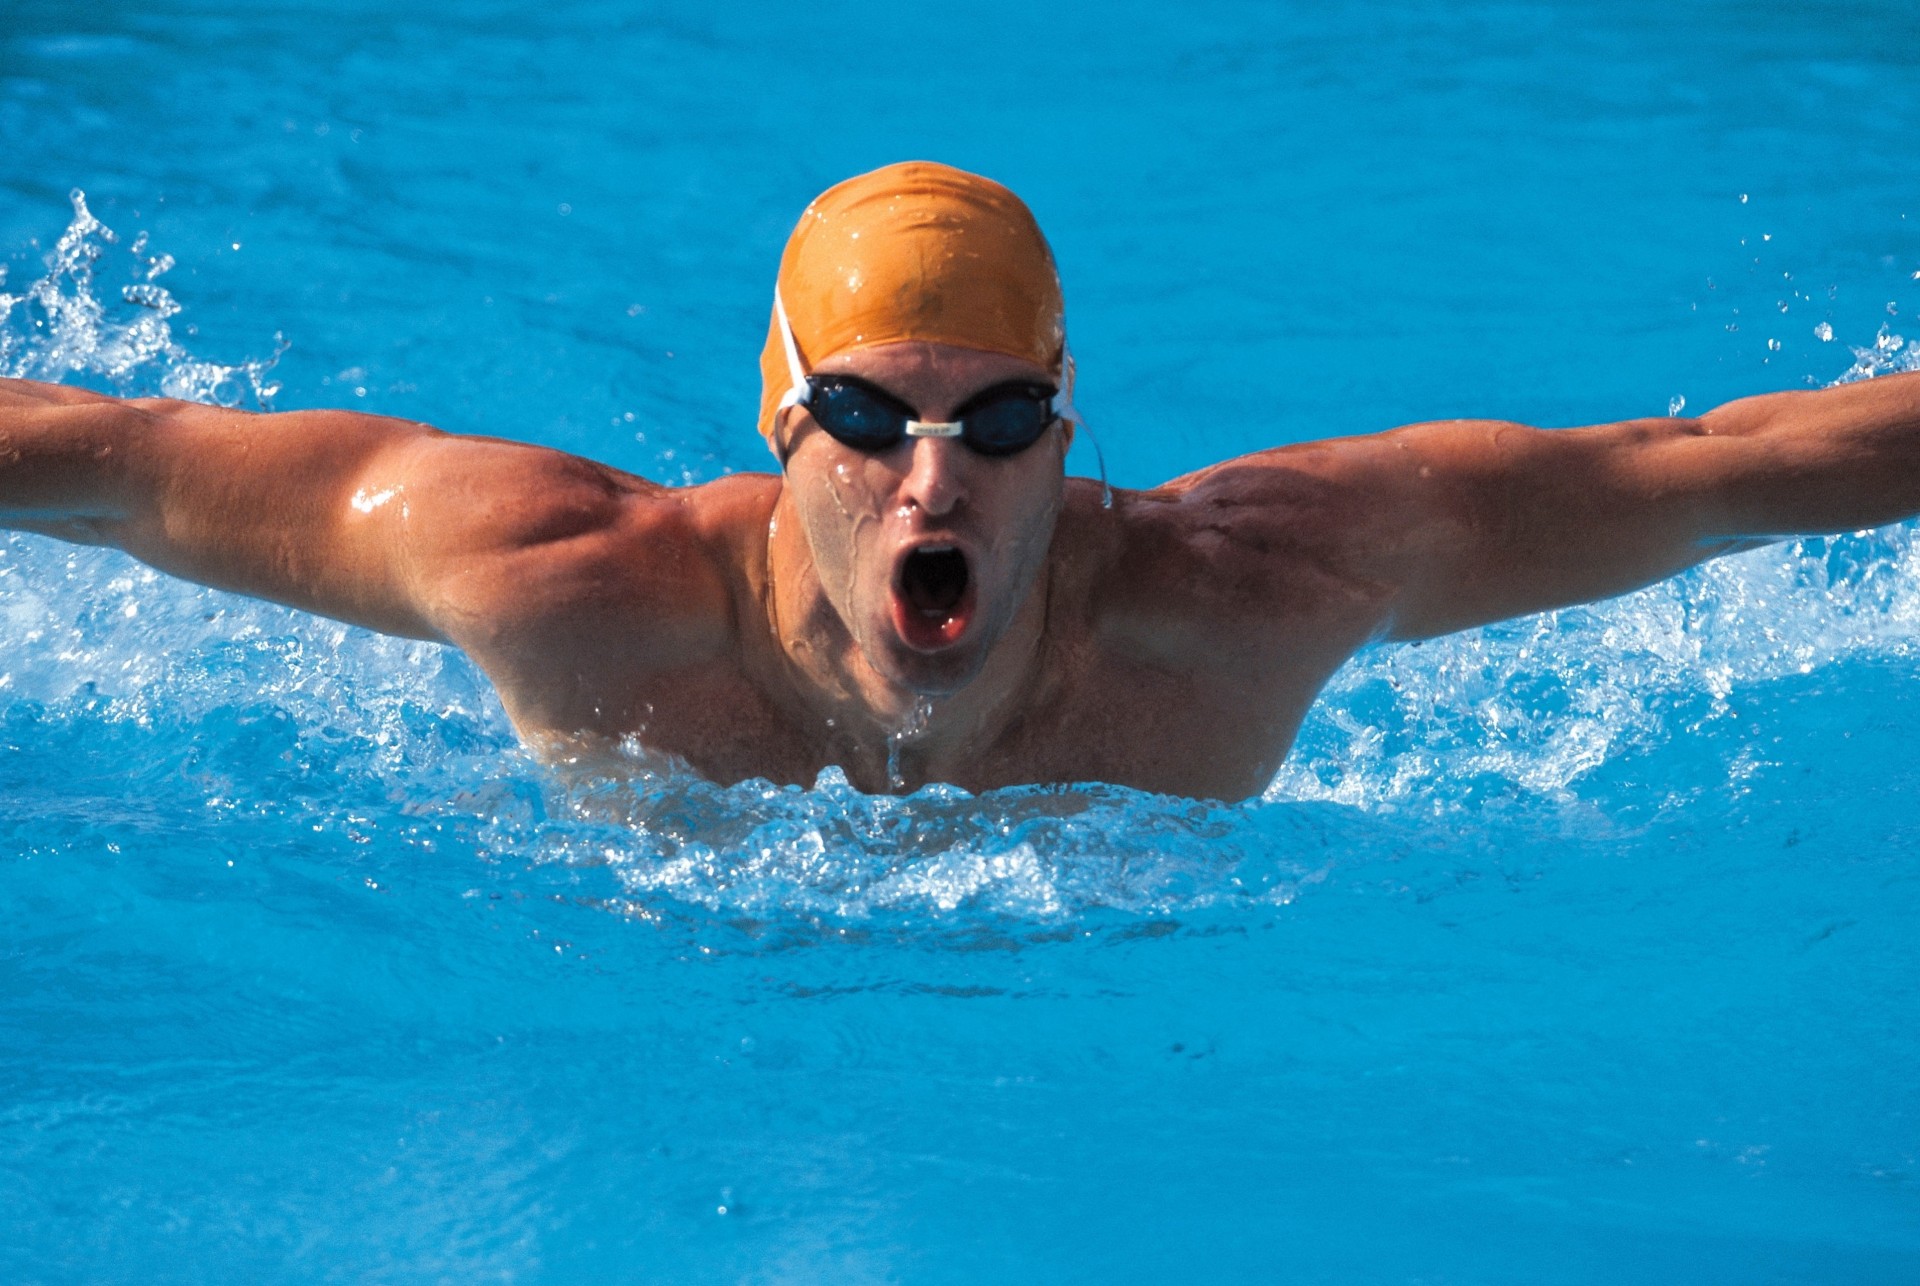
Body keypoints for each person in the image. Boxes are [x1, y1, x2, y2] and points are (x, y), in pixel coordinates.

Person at [2, 161, 1917, 800]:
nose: (937, 475)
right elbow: (122, 470)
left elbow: (1720, 475)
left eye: (999, 422)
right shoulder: (557, 580)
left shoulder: (1251, 590)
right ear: (781, 434)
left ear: (1066, 438)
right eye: (868, 420)